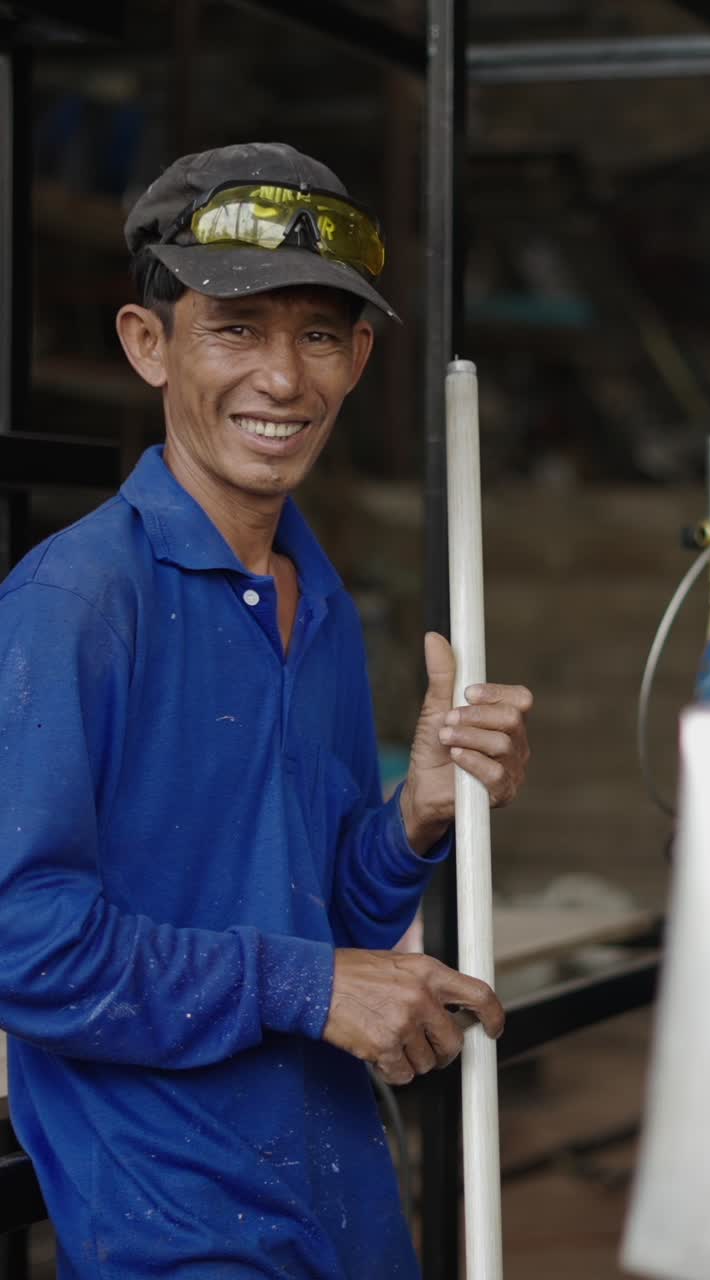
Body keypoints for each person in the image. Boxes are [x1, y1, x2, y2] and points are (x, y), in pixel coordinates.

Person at [0, 142, 532, 1279]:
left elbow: (319, 903)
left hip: (338, 1192)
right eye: (236, 328)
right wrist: (312, 984)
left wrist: (417, 817)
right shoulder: (78, 599)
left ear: (360, 359)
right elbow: (21, 940)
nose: (283, 378)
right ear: (151, 346)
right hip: (176, 1217)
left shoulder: (317, 594)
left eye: (320, 334)